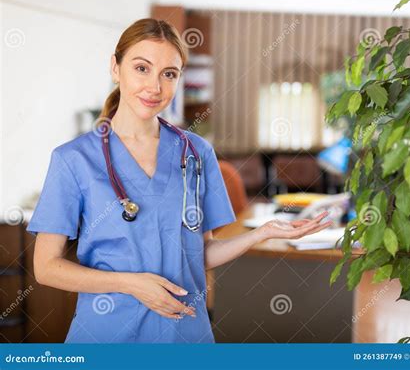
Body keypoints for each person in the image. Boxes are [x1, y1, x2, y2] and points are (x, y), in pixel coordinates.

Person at [27, 18, 333, 343]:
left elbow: (199, 254)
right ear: (115, 68)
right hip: (107, 335)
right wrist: (131, 283)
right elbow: (46, 267)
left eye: (169, 74)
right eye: (141, 68)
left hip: (184, 334)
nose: (155, 87)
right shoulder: (74, 159)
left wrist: (261, 234)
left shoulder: (196, 153)